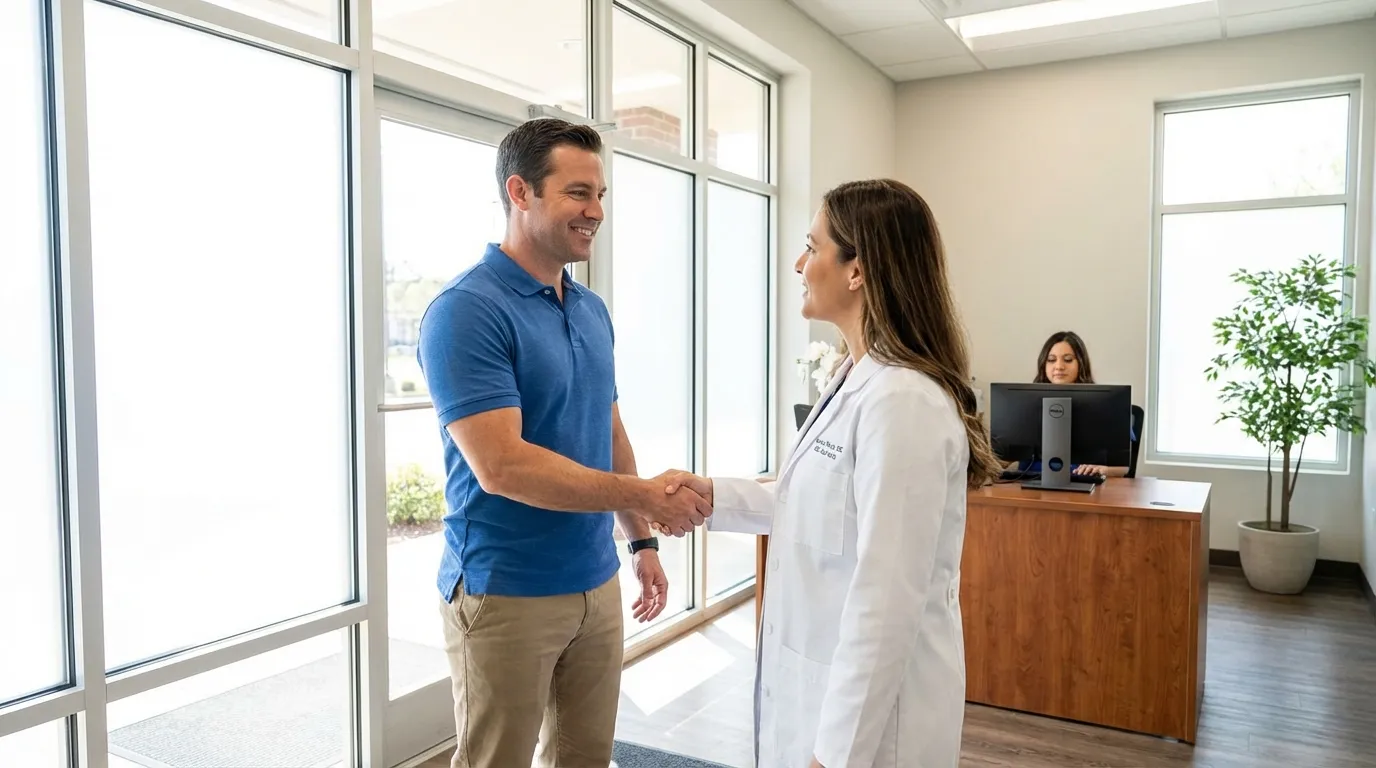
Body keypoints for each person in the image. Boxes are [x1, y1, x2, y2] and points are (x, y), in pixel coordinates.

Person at [658, 179, 1004, 767]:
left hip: (871, 730)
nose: (799, 263)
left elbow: (886, 596)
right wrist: (712, 496)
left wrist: (835, 754)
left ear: (857, 271)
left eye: (811, 247)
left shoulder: (903, 402)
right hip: (809, 687)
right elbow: (816, 502)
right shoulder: (856, 376)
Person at [416, 117, 711, 768]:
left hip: (595, 583)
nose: (596, 211)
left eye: (601, 195)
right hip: (506, 592)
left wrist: (641, 538)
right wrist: (645, 493)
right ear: (520, 193)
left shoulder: (590, 309)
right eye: (579, 193)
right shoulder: (467, 311)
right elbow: (502, 466)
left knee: (585, 758)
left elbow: (607, 431)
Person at [1014, 330, 1132, 477]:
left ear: (1081, 364)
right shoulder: (1024, 405)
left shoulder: (1107, 404)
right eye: (1051, 360)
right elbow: (1004, 457)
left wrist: (1104, 470)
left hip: (1085, 485)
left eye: (1068, 359)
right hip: (1031, 486)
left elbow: (1122, 467)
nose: (1059, 366)